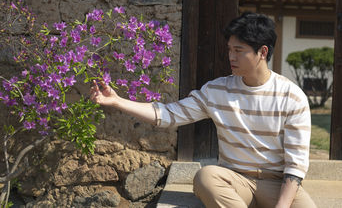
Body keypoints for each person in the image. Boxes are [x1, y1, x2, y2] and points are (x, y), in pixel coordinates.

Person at [90, 12, 317, 208]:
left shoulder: (292, 97)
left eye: (239, 50)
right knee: (206, 177)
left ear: (263, 52)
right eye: (230, 49)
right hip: (233, 181)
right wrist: (118, 101)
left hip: (277, 185)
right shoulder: (216, 90)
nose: (231, 56)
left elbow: (295, 166)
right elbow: (168, 115)